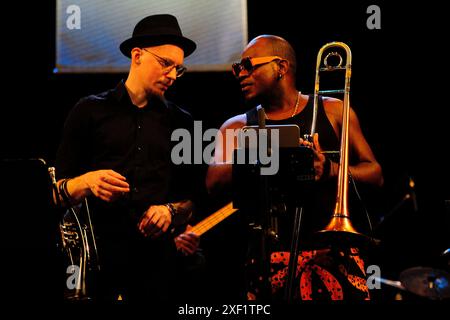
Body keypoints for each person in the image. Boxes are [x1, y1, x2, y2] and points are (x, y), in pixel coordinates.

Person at [206, 35, 384, 300]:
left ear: (281, 67)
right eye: (237, 68)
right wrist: (262, 153)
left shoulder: (333, 110)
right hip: (268, 263)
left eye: (248, 65)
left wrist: (331, 169)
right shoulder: (236, 126)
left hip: (332, 256)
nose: (240, 74)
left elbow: (375, 174)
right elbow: (212, 184)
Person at [55, 14, 202, 302]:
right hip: (95, 263)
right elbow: (54, 191)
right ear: (137, 56)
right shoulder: (88, 111)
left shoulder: (183, 122)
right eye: (166, 63)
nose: (173, 75)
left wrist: (170, 211)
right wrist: (86, 182)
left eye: (178, 68)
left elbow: (195, 199)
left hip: (157, 269)